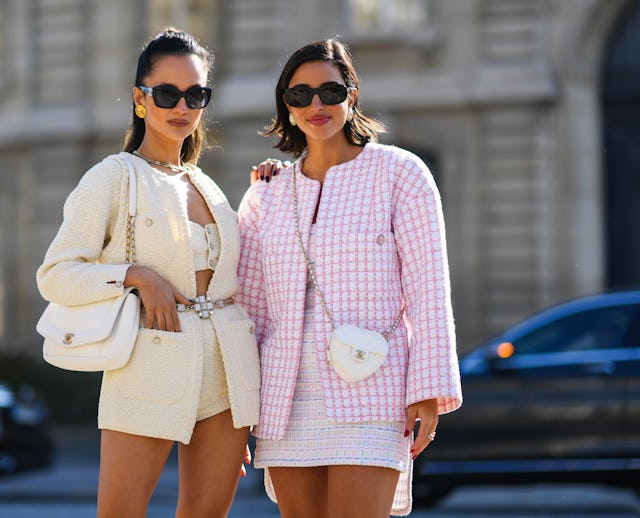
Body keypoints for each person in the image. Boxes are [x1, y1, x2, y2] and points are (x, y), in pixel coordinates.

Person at [36, 28, 259, 518]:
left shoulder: (208, 184)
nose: (182, 106)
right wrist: (137, 275)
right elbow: (55, 274)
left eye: (196, 94)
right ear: (141, 99)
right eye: (167, 93)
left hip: (229, 372)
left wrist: (273, 184)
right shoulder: (114, 176)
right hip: (148, 364)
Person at [236, 39, 463, 517]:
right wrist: (235, 417)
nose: (316, 105)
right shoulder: (265, 195)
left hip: (375, 384)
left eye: (329, 91)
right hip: (285, 398)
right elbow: (248, 313)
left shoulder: (402, 173)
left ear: (352, 95)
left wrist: (428, 389)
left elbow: (429, 290)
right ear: (287, 107)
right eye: (300, 96)